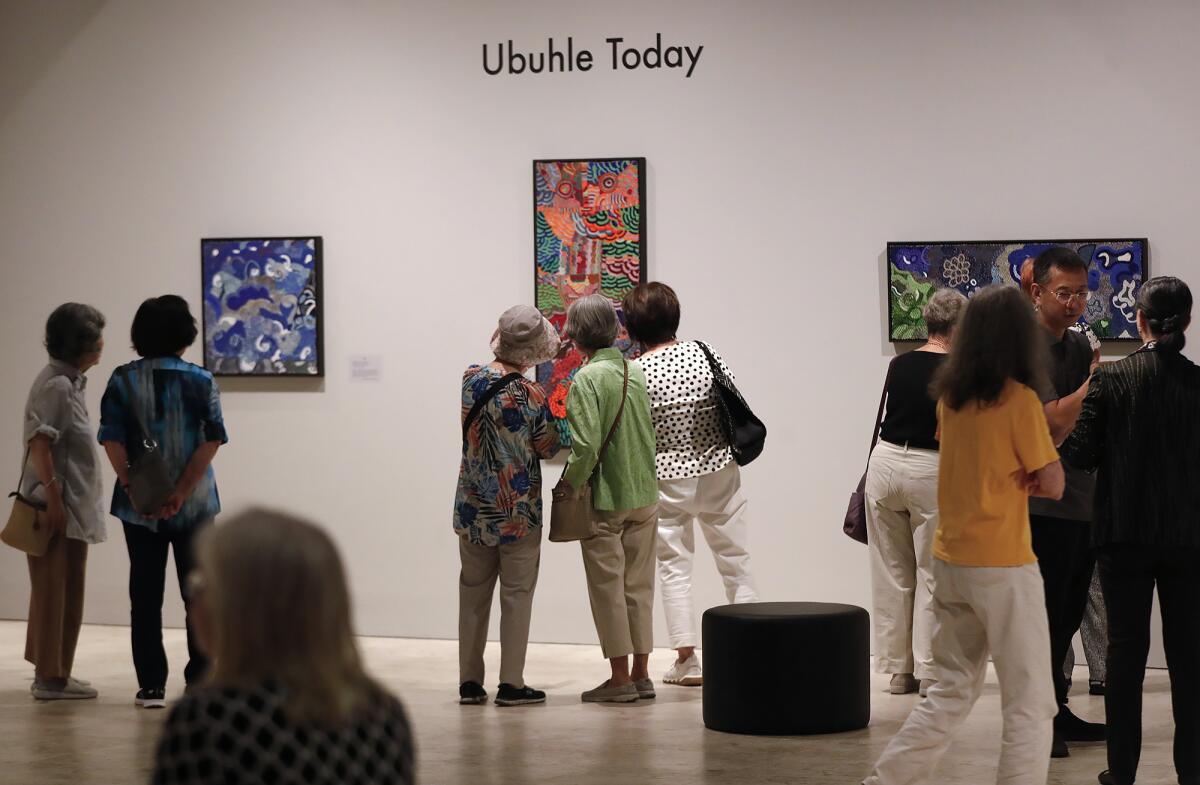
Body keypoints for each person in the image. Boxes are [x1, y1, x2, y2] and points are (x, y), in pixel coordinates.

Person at [863, 285, 1064, 785]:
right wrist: (1033, 469)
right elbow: (1055, 484)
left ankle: (883, 781)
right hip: (1004, 563)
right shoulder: (1019, 401)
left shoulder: (950, 399)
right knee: (1032, 702)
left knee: (949, 693)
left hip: (953, 559)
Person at [150, 508, 415, 785]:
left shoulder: (207, 724)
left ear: (245, 606)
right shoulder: (383, 715)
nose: (194, 599)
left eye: (202, 584)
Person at [1059, 276, 1199, 785]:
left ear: (1138, 319)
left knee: (1125, 655)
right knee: (1189, 658)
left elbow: (1077, 455)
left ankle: (1122, 773)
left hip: (1123, 535)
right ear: (1186, 321)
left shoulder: (1112, 381)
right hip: (1187, 537)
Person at [621, 282, 758, 688]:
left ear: (632, 328)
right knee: (736, 559)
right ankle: (752, 644)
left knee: (674, 567)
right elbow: (733, 399)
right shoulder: (704, 352)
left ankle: (687, 659)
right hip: (718, 467)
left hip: (666, 477)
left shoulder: (636, 371)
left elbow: (635, 430)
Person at [98, 295, 227, 709]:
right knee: (200, 592)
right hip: (196, 504)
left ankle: (151, 684)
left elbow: (112, 437)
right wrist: (183, 492)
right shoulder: (202, 380)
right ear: (185, 334)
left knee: (145, 591)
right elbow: (212, 439)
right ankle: (201, 679)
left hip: (140, 504)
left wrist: (133, 486)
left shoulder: (122, 379)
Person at [455, 305, 561, 707]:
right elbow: (548, 445)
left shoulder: (470, 379)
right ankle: (511, 683)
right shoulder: (533, 394)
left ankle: (469, 682)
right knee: (516, 594)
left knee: (472, 593)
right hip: (517, 510)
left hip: (473, 506)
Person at [864, 287, 966, 697]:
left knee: (891, 574)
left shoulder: (900, 364)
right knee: (932, 572)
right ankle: (929, 671)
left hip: (885, 464)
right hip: (931, 468)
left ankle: (898, 671)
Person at [1026, 247, 1106, 757]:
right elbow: (1048, 426)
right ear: (1037, 292)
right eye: (1064, 293)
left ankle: (1058, 710)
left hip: (1080, 498)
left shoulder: (1076, 348)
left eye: (1081, 292)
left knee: (1070, 614)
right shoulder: (1023, 350)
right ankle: (1040, 723)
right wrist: (1097, 384)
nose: (1075, 302)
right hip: (1040, 506)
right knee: (1045, 619)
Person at [561, 294, 659, 703]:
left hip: (607, 496)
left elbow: (584, 448)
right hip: (645, 493)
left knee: (608, 588)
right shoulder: (632, 372)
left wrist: (569, 485)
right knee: (639, 587)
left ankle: (620, 679)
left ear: (576, 335)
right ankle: (641, 674)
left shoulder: (585, 380)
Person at [20, 304, 107, 701]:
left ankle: (56, 670)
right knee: (56, 589)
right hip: (58, 506)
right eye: (96, 337)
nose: (102, 343)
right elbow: (41, 443)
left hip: (68, 504)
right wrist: (54, 498)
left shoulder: (68, 381)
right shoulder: (57, 385)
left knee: (65, 587)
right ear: (82, 346)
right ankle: (50, 678)